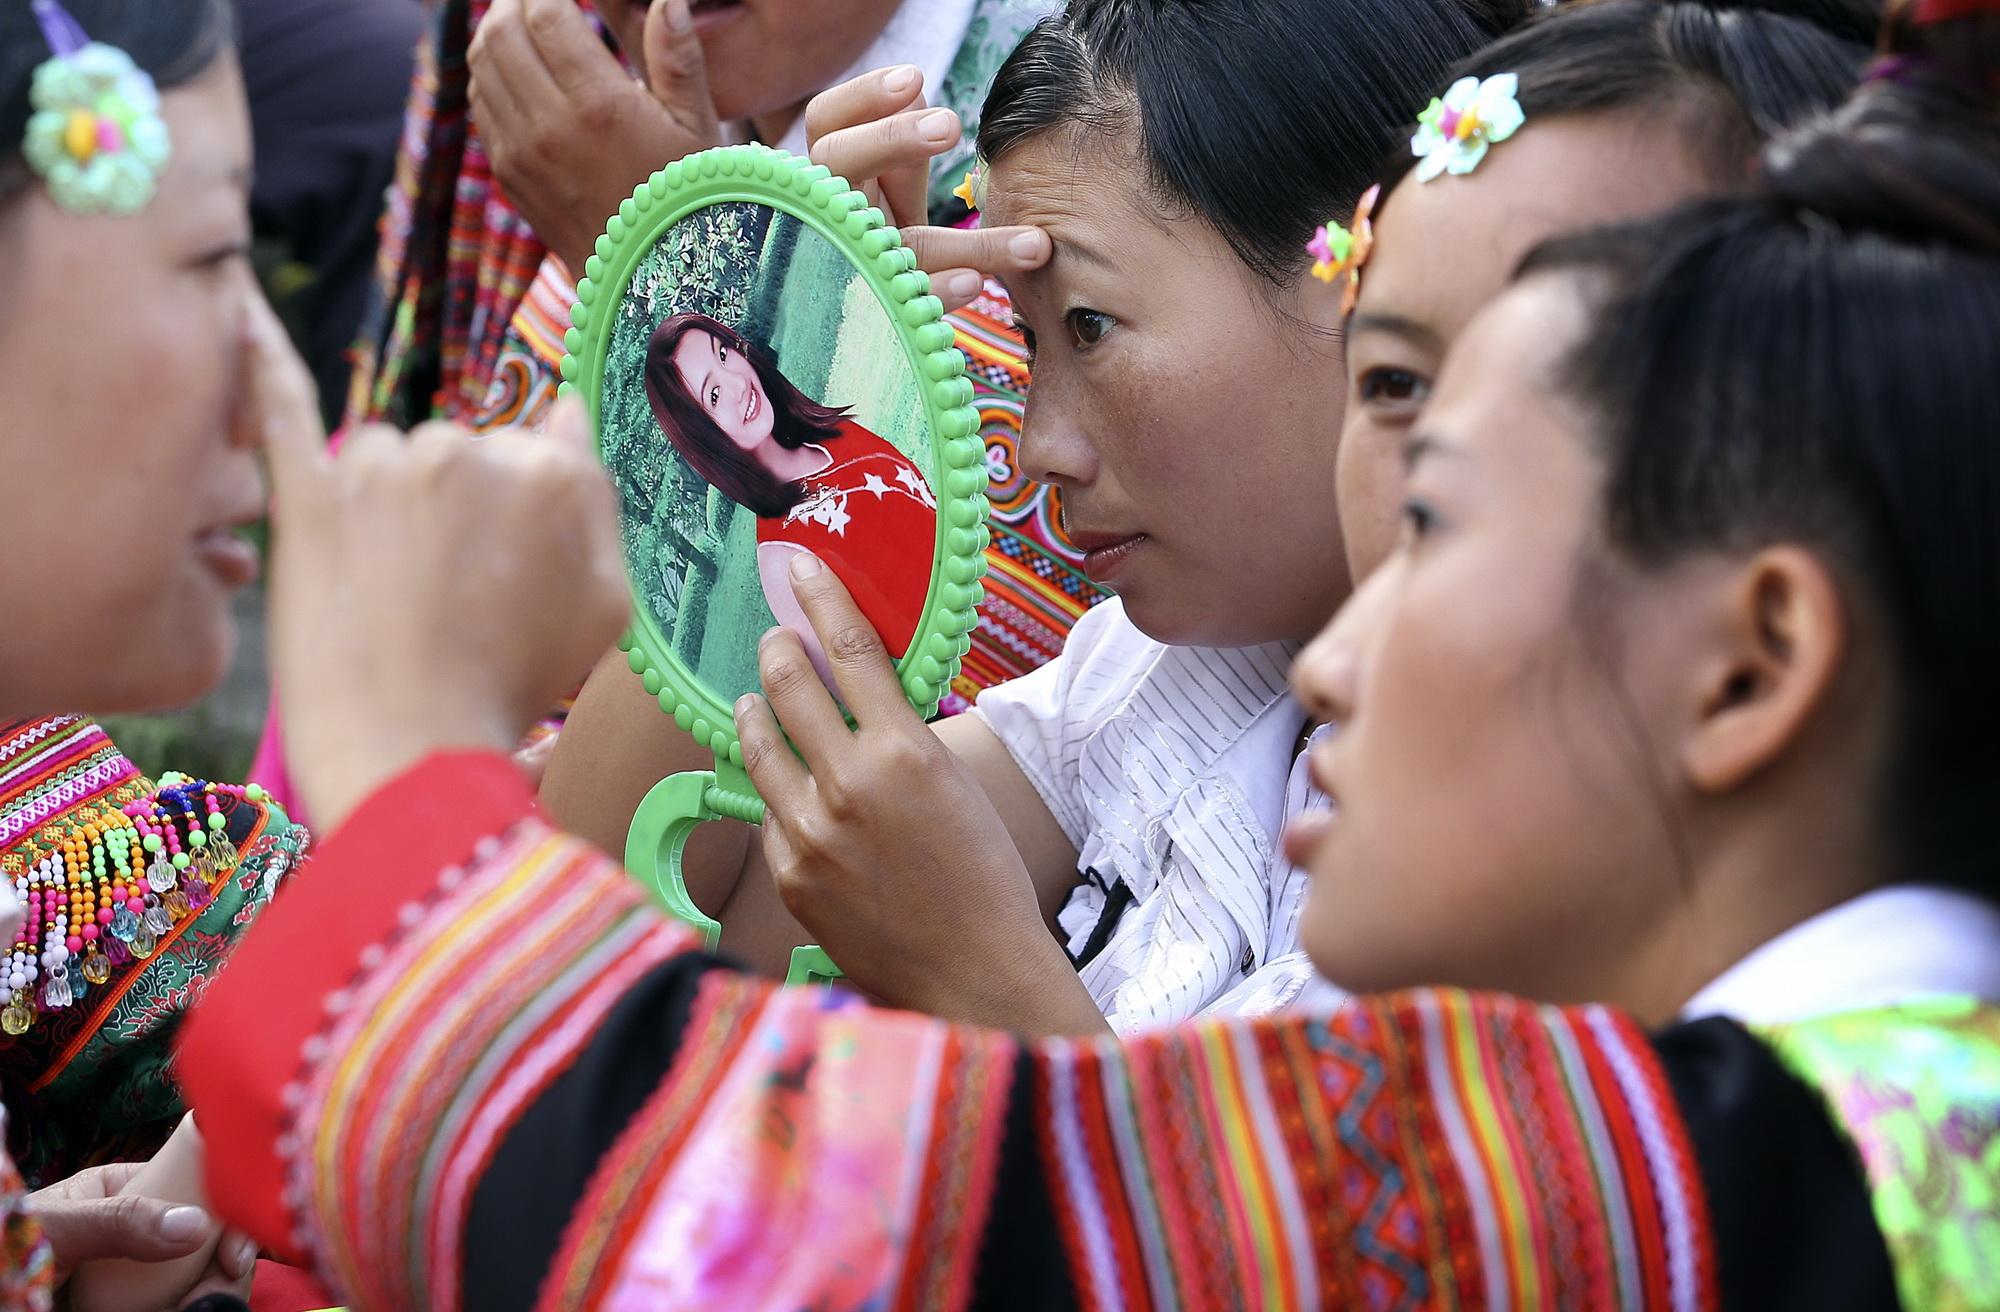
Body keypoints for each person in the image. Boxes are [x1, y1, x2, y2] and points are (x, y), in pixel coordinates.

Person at [178, 2, 2000, 1303]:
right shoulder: (1831, 1115)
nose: (1350, 644)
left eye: (1438, 495)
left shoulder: (1704, 1171)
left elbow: (797, 1215)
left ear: (1757, 659)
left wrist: (418, 771)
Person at [542, 0, 1866, 1037]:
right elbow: (634, 920)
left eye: (1094, 330)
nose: (1036, 450)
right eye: (1031, 344)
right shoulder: (1178, 681)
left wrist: (985, 975)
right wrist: (804, 362)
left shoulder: (1549, 876)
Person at [645, 312, 936, 670]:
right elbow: (871, 694)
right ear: (703, 437)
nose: (737, 384)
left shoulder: (837, 434)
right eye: (714, 395)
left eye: (723, 354)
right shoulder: (783, 560)